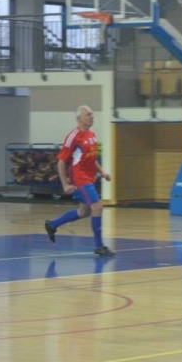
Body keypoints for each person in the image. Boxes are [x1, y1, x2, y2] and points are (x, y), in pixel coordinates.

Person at [44, 105, 114, 257]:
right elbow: (61, 162)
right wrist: (65, 184)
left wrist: (102, 172)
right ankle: (99, 247)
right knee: (97, 206)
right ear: (79, 118)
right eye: (88, 115)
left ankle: (52, 225)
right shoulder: (73, 137)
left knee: (84, 212)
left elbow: (91, 159)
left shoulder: (92, 135)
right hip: (79, 179)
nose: (92, 117)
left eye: (92, 114)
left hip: (89, 177)